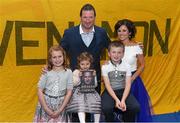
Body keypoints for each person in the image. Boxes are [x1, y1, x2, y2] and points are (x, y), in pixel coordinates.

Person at [60, 3, 110, 94]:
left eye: (90, 17)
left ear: (95, 17)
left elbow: (113, 49)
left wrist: (131, 43)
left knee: (94, 108)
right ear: (80, 17)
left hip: (94, 81)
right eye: (85, 17)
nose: (88, 20)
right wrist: (51, 66)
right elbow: (59, 52)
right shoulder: (69, 33)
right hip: (74, 81)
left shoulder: (101, 32)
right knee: (74, 108)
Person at [114, 19, 153, 121]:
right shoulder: (114, 46)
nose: (121, 33)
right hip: (117, 80)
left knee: (132, 109)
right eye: (119, 30)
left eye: (124, 30)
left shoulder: (137, 47)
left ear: (130, 32)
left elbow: (142, 65)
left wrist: (132, 78)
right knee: (117, 108)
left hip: (133, 80)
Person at [101, 41, 140, 122]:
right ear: (109, 53)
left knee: (135, 107)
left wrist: (123, 100)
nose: (116, 55)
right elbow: (107, 85)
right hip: (110, 91)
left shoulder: (127, 66)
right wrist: (117, 100)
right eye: (113, 52)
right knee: (106, 108)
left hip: (123, 91)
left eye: (119, 52)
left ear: (123, 54)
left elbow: (128, 84)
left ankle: (125, 119)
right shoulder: (105, 67)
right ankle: (110, 120)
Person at [33, 45, 73, 122]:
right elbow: (39, 90)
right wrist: (46, 108)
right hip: (46, 104)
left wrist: (61, 109)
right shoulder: (46, 71)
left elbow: (69, 91)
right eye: (54, 57)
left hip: (61, 105)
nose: (57, 59)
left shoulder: (68, 72)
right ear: (50, 59)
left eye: (59, 56)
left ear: (64, 57)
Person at [66, 52, 101, 123]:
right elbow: (73, 83)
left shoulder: (92, 72)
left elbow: (95, 85)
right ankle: (82, 121)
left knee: (97, 103)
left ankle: (97, 121)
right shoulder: (76, 72)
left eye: (87, 64)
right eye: (82, 64)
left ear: (90, 63)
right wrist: (79, 77)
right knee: (81, 105)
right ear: (79, 64)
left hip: (91, 92)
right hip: (79, 93)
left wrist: (93, 77)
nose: (85, 66)